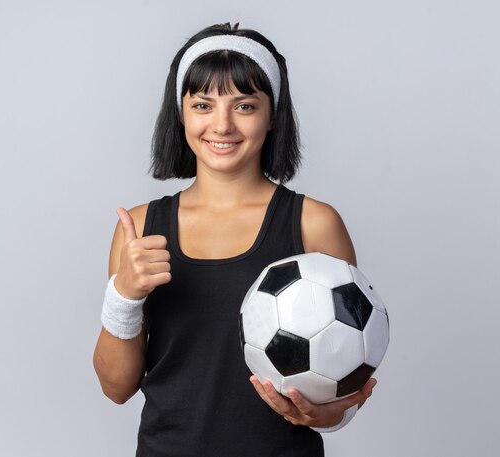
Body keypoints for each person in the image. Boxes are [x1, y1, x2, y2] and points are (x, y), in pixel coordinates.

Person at [93, 23, 377, 457]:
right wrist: (124, 296)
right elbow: (116, 388)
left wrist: (329, 415)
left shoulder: (314, 224)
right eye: (203, 104)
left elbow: (343, 374)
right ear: (181, 113)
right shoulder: (141, 226)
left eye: (244, 105)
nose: (221, 125)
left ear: (273, 114)